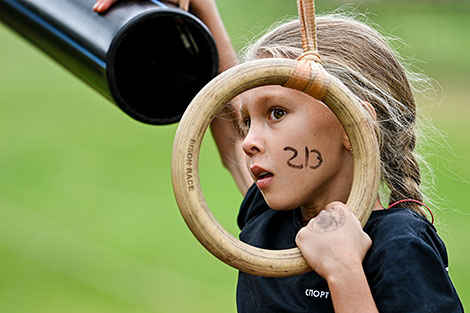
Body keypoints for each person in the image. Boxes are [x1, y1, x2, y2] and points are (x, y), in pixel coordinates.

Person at [95, 1, 463, 312]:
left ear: (355, 123)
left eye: (276, 113)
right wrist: (198, 5)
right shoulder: (269, 217)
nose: (248, 142)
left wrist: (344, 271)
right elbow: (222, 101)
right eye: (246, 122)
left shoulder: (400, 247)